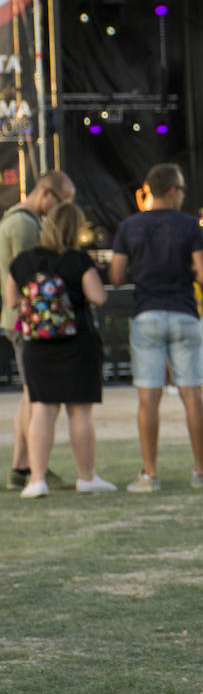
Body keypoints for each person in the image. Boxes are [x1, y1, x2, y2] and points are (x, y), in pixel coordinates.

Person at [109, 163, 203, 491]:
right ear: (172, 190)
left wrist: (141, 274)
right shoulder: (190, 225)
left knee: (148, 397)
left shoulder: (129, 226)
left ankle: (150, 474)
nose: (183, 195)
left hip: (147, 313)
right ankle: (199, 472)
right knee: (192, 394)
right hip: (183, 311)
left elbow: (115, 277)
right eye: (181, 189)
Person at [3, 201, 116, 497]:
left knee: (42, 410)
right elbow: (98, 297)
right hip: (77, 343)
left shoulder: (24, 261)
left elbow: (12, 301)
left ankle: (37, 480)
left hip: (38, 347)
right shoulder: (78, 261)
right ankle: (86, 477)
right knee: (80, 412)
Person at [2, 170, 76, 491]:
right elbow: (27, 277)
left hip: (18, 320)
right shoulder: (24, 225)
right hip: (26, 321)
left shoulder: (19, 220)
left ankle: (24, 465)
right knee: (37, 396)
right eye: (60, 204)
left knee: (31, 395)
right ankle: (29, 467)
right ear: (46, 194)